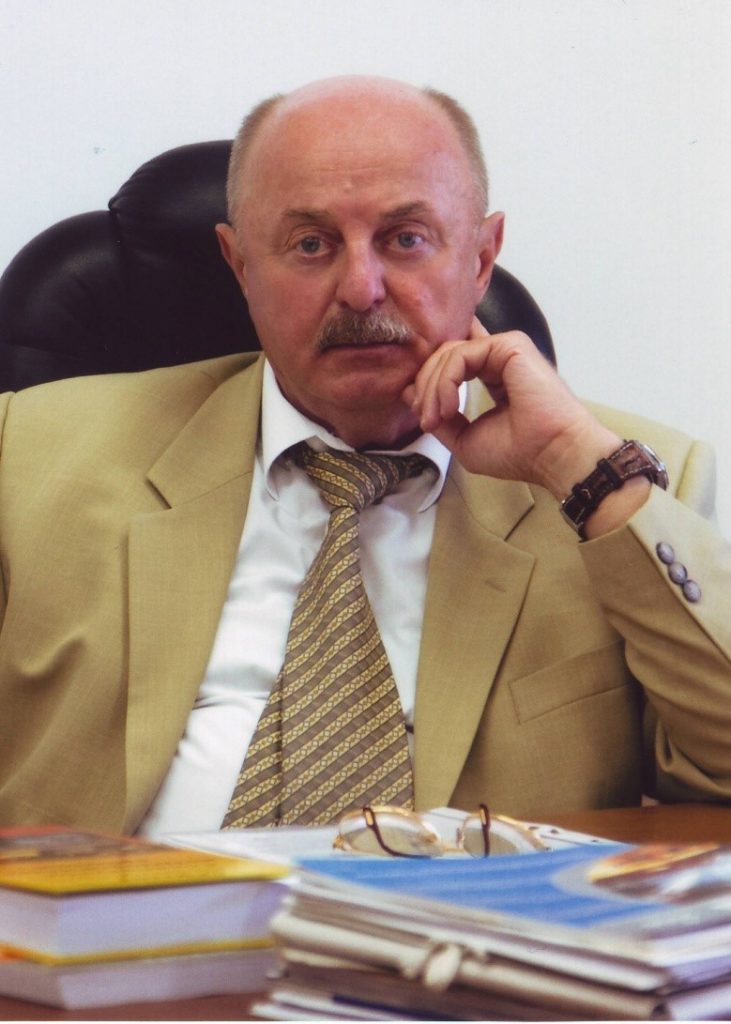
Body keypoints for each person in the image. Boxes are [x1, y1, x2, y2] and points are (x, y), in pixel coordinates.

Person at [0, 75, 729, 837]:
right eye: (310, 244)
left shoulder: (617, 486)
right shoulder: (27, 453)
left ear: (480, 258)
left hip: (465, 913)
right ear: (240, 265)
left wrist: (579, 471)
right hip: (111, 906)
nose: (360, 288)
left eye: (405, 238)